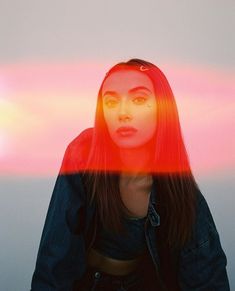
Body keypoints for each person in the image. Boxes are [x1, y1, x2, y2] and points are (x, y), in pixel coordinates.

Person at [30, 59, 230, 290]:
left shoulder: (181, 196)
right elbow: (54, 259)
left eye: (139, 99)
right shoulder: (83, 152)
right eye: (111, 102)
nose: (123, 113)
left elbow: (207, 278)